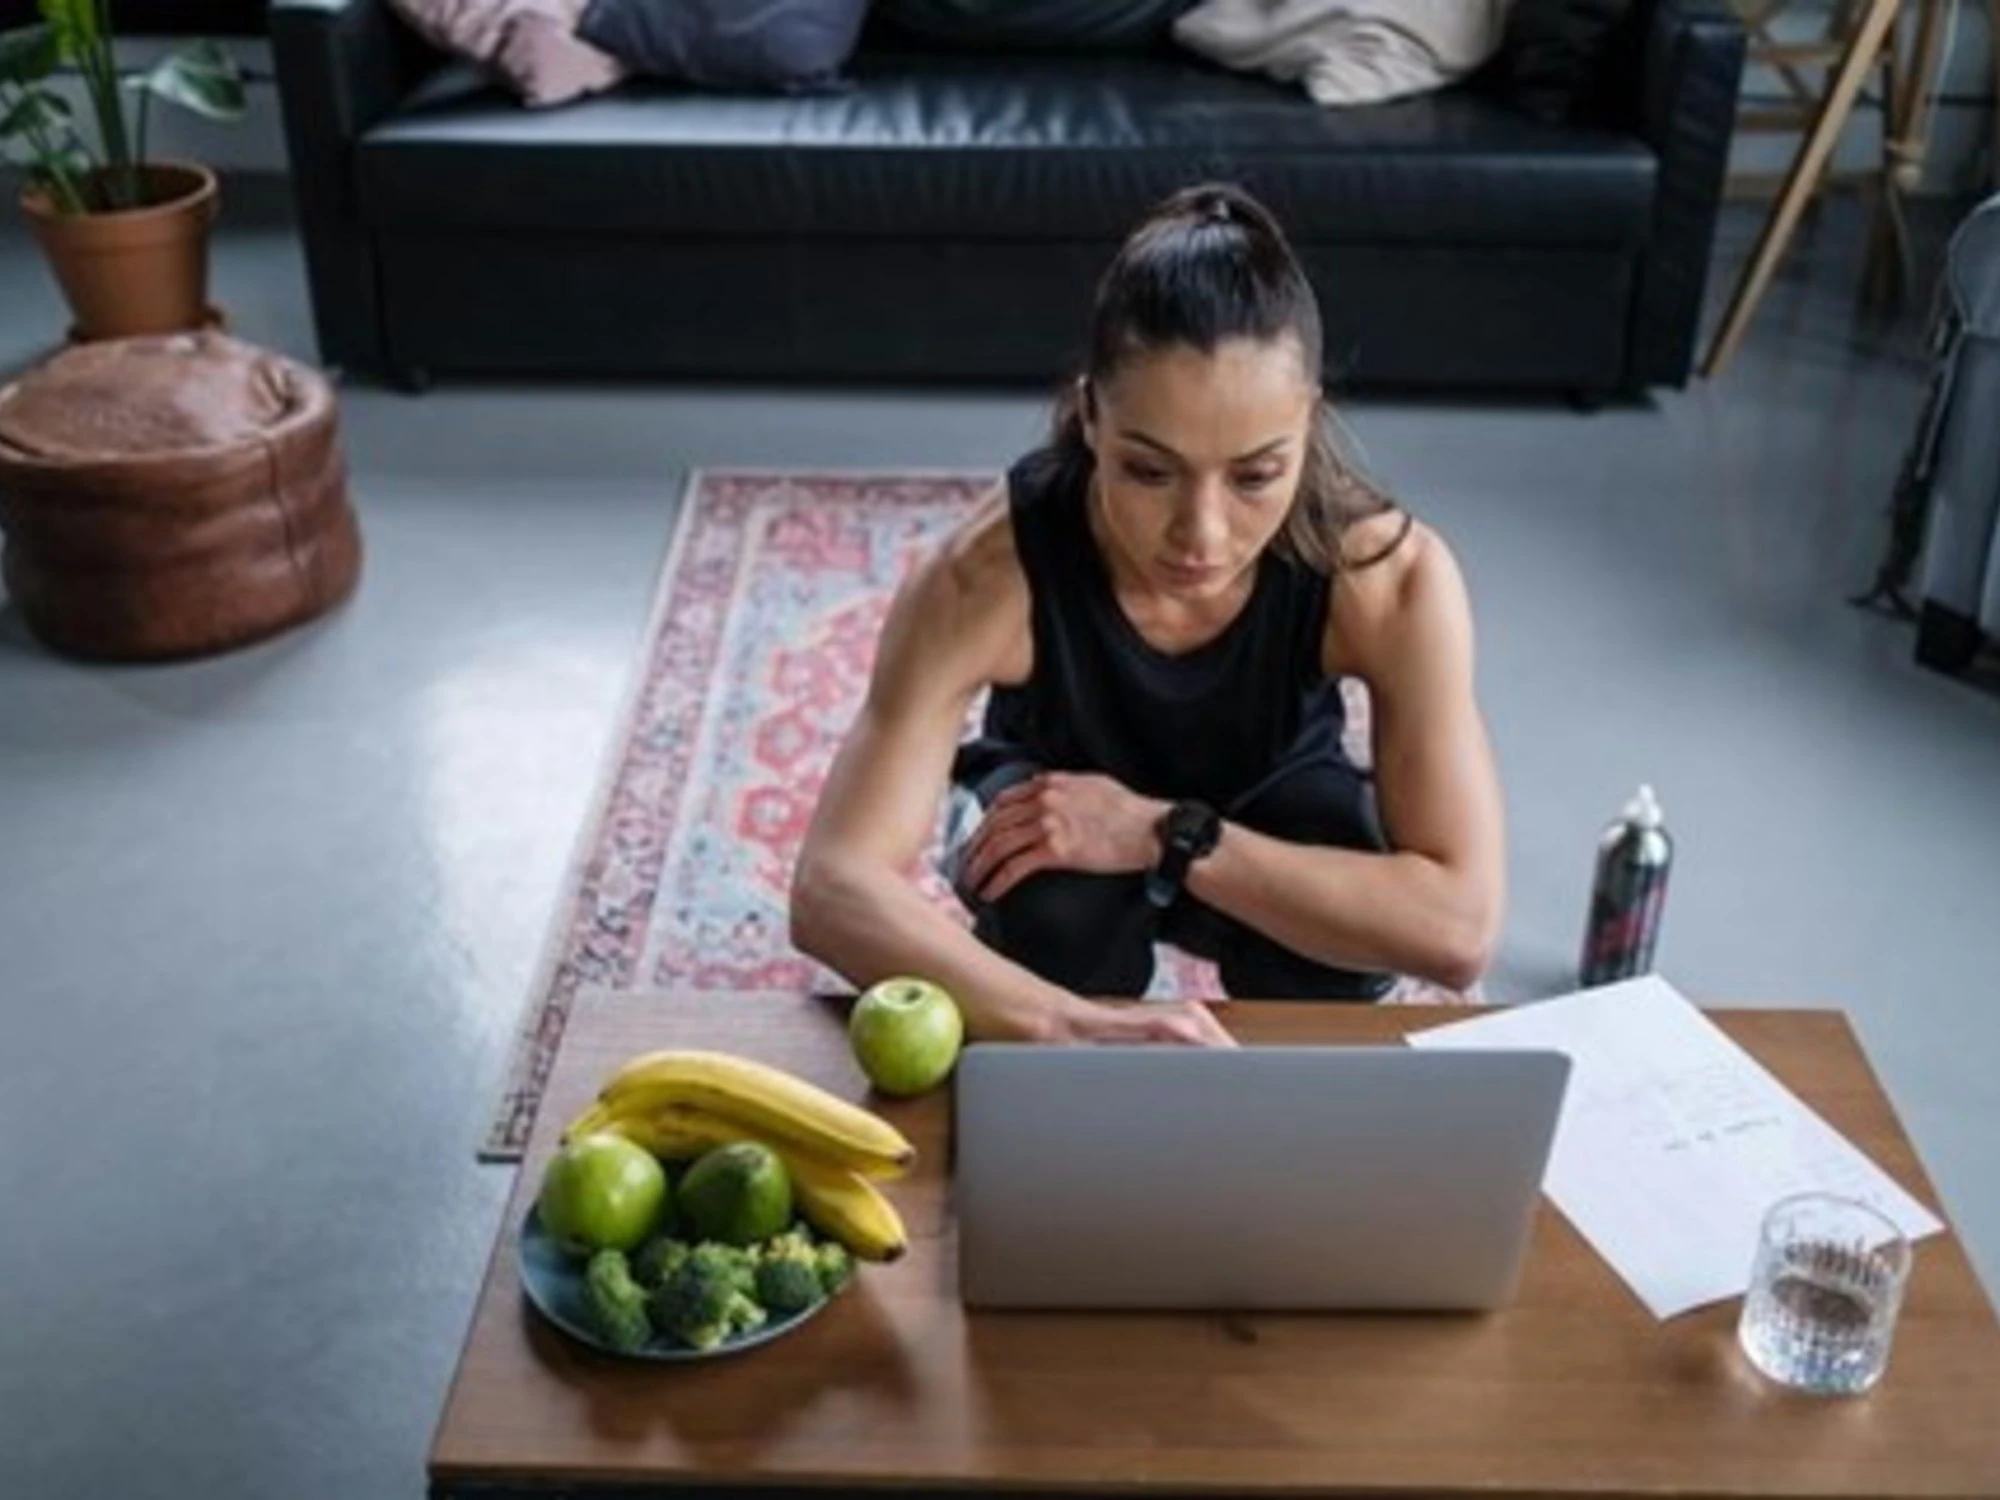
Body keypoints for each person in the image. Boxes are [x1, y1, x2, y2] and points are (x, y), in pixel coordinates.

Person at [791, 182, 1503, 1047]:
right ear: (1092, 416)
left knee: (1338, 917)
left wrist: (1167, 836)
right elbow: (833, 887)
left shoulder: (1391, 578)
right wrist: (1066, 1024)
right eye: (1149, 471)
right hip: (1058, 818)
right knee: (1052, 911)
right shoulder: (984, 578)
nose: (1201, 535)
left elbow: (1458, 931)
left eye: (1254, 476)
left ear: (1305, 424)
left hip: (1270, 812)